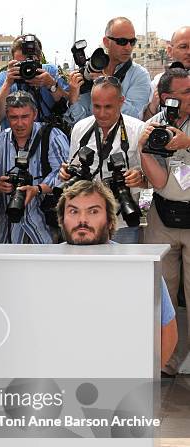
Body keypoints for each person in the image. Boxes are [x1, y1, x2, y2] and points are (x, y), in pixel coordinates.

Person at [57, 179, 178, 368]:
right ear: (62, 218)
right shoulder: (45, 263)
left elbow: (168, 333)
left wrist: (141, 383)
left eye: (93, 211)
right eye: (73, 211)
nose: (82, 220)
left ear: (110, 219)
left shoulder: (139, 265)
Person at [140, 67, 190, 376]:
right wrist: (146, 147)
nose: (189, 97)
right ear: (166, 97)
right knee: (162, 293)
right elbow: (157, 181)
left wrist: (187, 143)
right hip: (162, 215)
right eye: (184, 93)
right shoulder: (152, 126)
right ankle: (165, 362)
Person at [59, 76, 146, 243]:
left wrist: (139, 177)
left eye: (108, 107)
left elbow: (150, 180)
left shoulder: (138, 130)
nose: (102, 113)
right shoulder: (80, 128)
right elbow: (74, 168)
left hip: (123, 219)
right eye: (96, 106)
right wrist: (66, 172)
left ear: (121, 101)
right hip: (85, 223)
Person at [0, 91, 69, 244]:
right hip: (7, 229)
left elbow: (65, 174)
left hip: (45, 229)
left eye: (24, 117)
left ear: (34, 114)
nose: (19, 123)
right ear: (7, 117)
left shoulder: (52, 136)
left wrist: (38, 189)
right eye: (14, 117)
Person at [65, 17, 151, 127]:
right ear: (106, 42)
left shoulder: (140, 75)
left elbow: (134, 117)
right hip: (91, 141)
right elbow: (80, 123)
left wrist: (105, 85)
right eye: (122, 41)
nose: (128, 47)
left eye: (132, 42)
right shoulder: (91, 71)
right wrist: (73, 99)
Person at [0, 34, 69, 127]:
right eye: (20, 64)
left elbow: (69, 105)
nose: (27, 69)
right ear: (13, 61)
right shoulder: (4, 77)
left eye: (30, 63)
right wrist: (7, 84)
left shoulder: (50, 72)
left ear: (39, 59)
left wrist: (52, 85)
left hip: (47, 135)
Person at [143, 27, 190, 121]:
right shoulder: (158, 81)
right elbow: (144, 124)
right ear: (169, 51)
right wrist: (154, 104)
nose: (189, 52)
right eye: (183, 47)